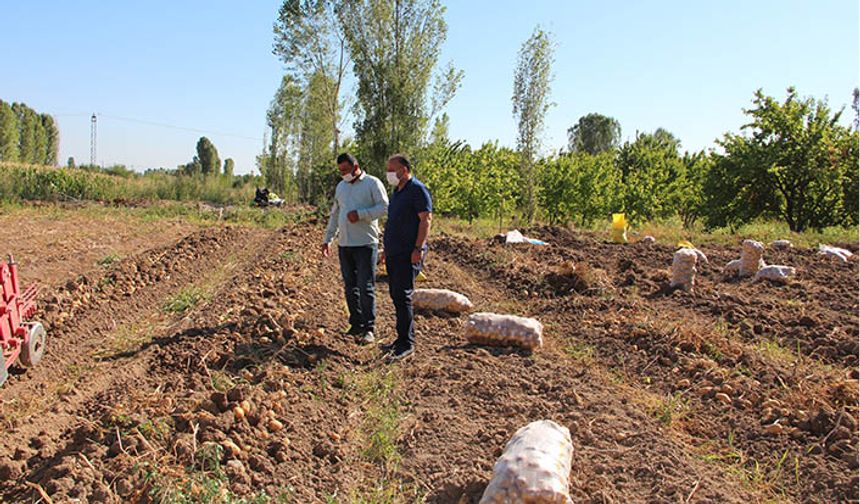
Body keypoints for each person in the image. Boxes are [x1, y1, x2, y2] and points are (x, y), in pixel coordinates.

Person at [322, 153, 389, 344]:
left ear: (356, 166)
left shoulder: (372, 183)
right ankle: (356, 324)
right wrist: (328, 239)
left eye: (346, 170)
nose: (343, 174)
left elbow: (384, 207)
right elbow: (335, 214)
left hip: (366, 243)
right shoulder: (341, 187)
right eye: (340, 171)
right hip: (344, 244)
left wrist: (361, 214)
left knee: (365, 286)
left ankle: (369, 328)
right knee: (350, 286)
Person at [380, 153, 433, 362]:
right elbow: (393, 223)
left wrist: (418, 249)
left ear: (404, 169)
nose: (389, 173)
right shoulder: (397, 192)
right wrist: (386, 249)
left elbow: (425, 220)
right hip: (394, 252)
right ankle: (400, 339)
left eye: (392, 169)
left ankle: (407, 344)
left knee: (403, 296)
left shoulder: (417, 190)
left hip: (408, 253)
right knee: (396, 295)